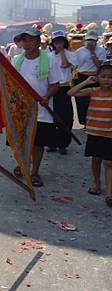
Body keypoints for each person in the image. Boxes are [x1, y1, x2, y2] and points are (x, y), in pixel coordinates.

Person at [11, 27, 62, 187]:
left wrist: (47, 97)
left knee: (38, 143)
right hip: (21, 109)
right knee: (22, 140)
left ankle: (35, 172)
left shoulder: (49, 60)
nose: (27, 43)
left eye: (30, 39)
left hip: (42, 109)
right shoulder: (17, 60)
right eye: (24, 40)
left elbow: (55, 84)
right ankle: (22, 165)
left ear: (38, 41)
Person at [68, 61, 112, 206]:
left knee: (109, 162)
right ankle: (96, 182)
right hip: (94, 132)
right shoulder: (93, 91)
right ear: (98, 77)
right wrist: (87, 81)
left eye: (110, 77)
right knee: (96, 159)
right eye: (103, 76)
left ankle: (110, 193)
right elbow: (71, 93)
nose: (107, 79)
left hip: (110, 133)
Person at [47, 30, 77, 154]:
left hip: (64, 88)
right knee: (52, 116)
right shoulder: (48, 56)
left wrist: (62, 52)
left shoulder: (70, 54)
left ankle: (63, 144)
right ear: (52, 43)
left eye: (61, 41)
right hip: (52, 88)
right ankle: (52, 143)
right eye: (56, 41)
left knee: (66, 117)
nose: (58, 44)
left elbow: (65, 65)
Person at [73, 30, 107, 126]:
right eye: (88, 40)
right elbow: (75, 66)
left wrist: (92, 53)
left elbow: (99, 65)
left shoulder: (101, 50)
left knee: (93, 100)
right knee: (81, 100)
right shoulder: (80, 51)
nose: (90, 42)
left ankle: (94, 120)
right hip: (81, 76)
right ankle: (84, 122)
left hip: (95, 77)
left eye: (92, 40)